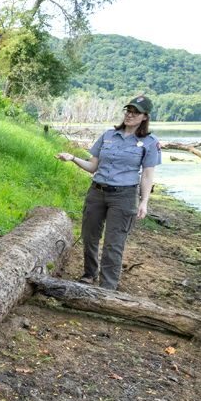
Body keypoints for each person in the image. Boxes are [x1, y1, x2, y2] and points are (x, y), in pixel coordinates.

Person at [56, 95, 161, 291]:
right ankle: (89, 274)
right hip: (97, 192)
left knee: (114, 243)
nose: (130, 115)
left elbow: (147, 175)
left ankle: (107, 287)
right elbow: (92, 166)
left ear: (145, 117)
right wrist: (72, 158)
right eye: (128, 110)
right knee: (89, 236)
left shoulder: (149, 142)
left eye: (135, 112)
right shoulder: (108, 136)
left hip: (124, 196)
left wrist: (144, 201)